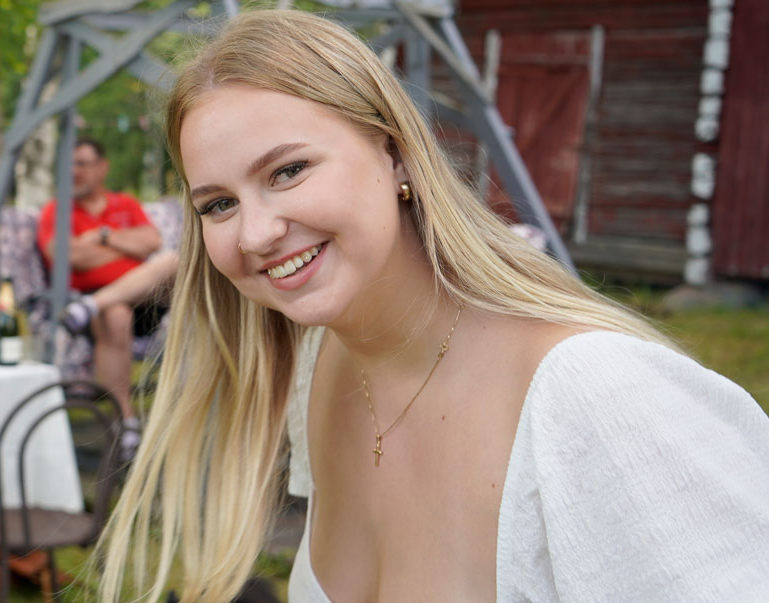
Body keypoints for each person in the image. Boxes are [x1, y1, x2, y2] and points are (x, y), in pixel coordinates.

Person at [96, 10, 769, 603]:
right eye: (219, 203)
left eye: (288, 170)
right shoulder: (320, 364)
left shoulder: (593, 395)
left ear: (394, 154)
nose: (255, 233)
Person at [37, 137, 164, 456]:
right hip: (94, 299)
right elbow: (68, 255)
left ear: (102, 167)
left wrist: (103, 237)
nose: (74, 171)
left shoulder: (125, 204)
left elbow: (152, 242)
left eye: (82, 163)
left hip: (144, 299)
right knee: (115, 313)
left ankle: (91, 306)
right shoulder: (57, 210)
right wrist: (127, 249)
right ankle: (127, 422)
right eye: (69, 164)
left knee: (173, 262)